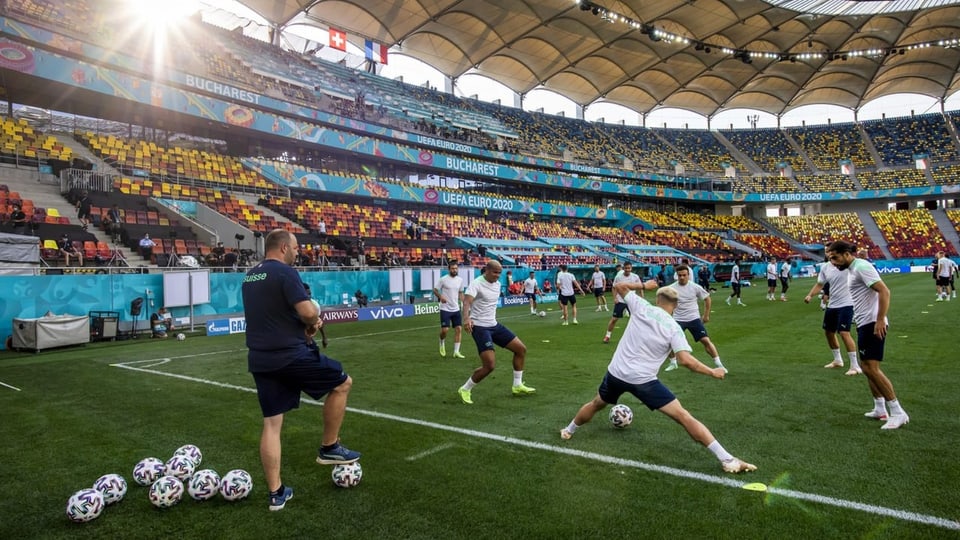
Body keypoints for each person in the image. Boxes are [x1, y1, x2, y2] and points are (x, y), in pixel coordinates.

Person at [559, 280, 757, 475]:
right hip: (644, 381)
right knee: (683, 416)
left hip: (617, 373)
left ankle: (568, 430)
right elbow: (686, 361)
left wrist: (643, 286)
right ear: (676, 306)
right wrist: (713, 371)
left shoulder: (642, 306)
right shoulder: (674, 328)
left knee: (597, 403)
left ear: (657, 299)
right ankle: (727, 459)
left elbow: (619, 287)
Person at [241, 229, 360, 512]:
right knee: (342, 382)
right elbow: (307, 312)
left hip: (260, 358)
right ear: (283, 248)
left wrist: (306, 332)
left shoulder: (250, 276)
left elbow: (277, 319)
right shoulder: (284, 273)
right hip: (290, 356)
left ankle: (276, 494)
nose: (298, 252)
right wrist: (314, 319)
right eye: (295, 248)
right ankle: (329, 447)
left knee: (272, 423)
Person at [825, 240, 909, 430]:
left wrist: (879, 319)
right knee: (867, 366)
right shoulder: (852, 269)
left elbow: (884, 291)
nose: (833, 262)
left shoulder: (861, 267)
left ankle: (897, 412)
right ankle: (880, 408)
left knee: (871, 368)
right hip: (864, 323)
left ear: (847, 253)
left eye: (835, 257)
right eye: (830, 259)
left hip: (873, 324)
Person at [457, 260, 535, 404]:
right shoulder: (476, 283)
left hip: (494, 325)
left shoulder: (498, 284)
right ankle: (465, 388)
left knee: (521, 349)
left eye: (500, 273)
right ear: (487, 270)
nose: (497, 276)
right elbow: (467, 302)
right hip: (480, 327)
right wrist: (467, 318)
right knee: (489, 365)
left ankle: (517, 385)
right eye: (495, 272)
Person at [664, 265, 726, 373]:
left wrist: (706, 315)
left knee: (705, 340)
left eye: (684, 275)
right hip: (678, 319)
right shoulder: (671, 289)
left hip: (694, 318)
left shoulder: (694, 287)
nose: (682, 277)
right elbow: (665, 302)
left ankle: (719, 364)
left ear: (688, 275)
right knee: (669, 342)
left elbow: (707, 299)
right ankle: (673, 362)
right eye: (680, 275)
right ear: (676, 276)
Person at [803, 261, 861, 375]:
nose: (829, 254)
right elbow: (820, 284)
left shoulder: (849, 265)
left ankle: (855, 365)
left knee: (844, 332)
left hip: (847, 303)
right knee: (829, 332)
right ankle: (838, 360)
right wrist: (810, 295)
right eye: (828, 252)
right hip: (833, 304)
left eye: (831, 251)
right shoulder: (826, 267)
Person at [433, 262, 466, 359]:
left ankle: (456, 351)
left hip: (456, 308)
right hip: (445, 308)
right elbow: (435, 290)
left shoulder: (460, 280)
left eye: (456, 268)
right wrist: (440, 296)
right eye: (452, 268)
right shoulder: (443, 279)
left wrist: (464, 304)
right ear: (449, 269)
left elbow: (460, 293)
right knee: (445, 330)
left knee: (459, 329)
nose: (454, 270)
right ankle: (441, 342)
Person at [603, 261, 640, 343]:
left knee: (636, 320)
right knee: (614, 319)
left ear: (631, 268)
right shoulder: (619, 277)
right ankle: (607, 336)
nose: (627, 270)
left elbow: (640, 287)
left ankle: (636, 338)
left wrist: (641, 298)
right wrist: (615, 298)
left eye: (629, 268)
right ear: (623, 268)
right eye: (626, 268)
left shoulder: (635, 277)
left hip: (631, 301)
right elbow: (614, 287)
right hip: (621, 300)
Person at [303, 283, 328, 349]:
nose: (309, 296)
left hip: (308, 340)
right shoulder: (294, 306)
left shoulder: (315, 305)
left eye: (310, 294)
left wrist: (324, 337)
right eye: (307, 294)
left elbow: (320, 322)